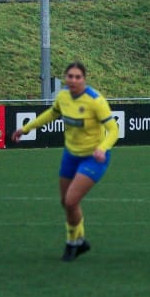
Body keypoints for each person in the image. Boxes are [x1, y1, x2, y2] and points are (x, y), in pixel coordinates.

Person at [12, 62, 119, 262]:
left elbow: (113, 129)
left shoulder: (95, 101)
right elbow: (51, 114)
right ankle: (80, 241)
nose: (73, 80)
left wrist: (103, 148)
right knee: (66, 202)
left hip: (93, 158)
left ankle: (72, 242)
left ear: (84, 79)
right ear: (65, 78)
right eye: (70, 76)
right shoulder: (62, 97)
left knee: (71, 201)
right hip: (70, 155)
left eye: (78, 77)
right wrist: (25, 129)